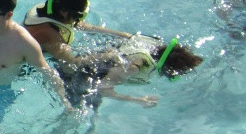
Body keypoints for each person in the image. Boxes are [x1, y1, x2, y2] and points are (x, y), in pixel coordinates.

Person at [22, 0, 133, 71]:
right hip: (26, 68)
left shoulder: (51, 9)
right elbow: (72, 63)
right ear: (64, 11)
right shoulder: (49, 33)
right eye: (78, 16)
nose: (79, 19)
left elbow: (79, 25)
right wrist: (113, 55)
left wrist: (124, 35)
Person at [63, 39, 202, 109]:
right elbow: (103, 89)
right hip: (77, 78)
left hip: (83, 67)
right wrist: (138, 100)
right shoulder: (135, 67)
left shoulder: (148, 47)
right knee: (89, 114)